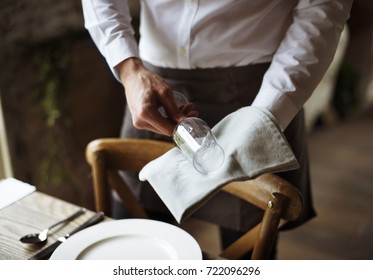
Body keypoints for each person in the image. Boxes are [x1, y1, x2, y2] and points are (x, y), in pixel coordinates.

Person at [81, 0, 353, 258]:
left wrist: (264, 116)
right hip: (153, 89)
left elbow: (322, 10)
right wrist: (128, 68)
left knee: (246, 256)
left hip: (259, 92)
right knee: (134, 245)